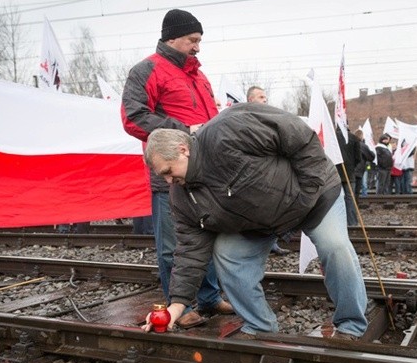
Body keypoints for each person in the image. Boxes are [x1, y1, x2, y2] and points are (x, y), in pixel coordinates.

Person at [143, 103, 369, 339]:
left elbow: (297, 135)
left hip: (314, 197)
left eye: (168, 171)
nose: (168, 181)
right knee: (228, 253)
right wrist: (176, 307)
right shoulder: (182, 197)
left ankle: (350, 325)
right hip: (261, 222)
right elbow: (190, 251)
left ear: (183, 150)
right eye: (163, 176)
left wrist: (307, 191)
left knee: (335, 246)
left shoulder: (229, 129)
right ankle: (261, 328)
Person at [122, 8, 233, 326]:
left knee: (206, 238)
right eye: (192, 40)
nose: (198, 46)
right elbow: (133, 117)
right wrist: (186, 130)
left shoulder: (199, 75)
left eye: (199, 40)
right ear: (172, 38)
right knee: (173, 246)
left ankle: (208, 299)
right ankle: (178, 307)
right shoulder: (145, 70)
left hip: (204, 173)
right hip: (171, 175)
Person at [246, 85, 290, 254]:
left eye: (265, 97)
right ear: (251, 100)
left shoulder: (269, 117)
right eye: (261, 97)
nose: (265, 100)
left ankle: (271, 244)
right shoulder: (245, 118)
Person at [336, 126, 361, 225]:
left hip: (335, 173)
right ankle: (352, 222)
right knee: (350, 198)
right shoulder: (354, 138)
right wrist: (351, 166)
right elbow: (358, 157)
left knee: (336, 198)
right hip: (349, 173)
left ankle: (339, 223)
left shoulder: (333, 137)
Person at [354, 129, 375, 198]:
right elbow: (371, 157)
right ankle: (354, 206)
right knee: (356, 191)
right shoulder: (363, 146)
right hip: (359, 171)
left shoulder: (350, 143)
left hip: (350, 170)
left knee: (350, 192)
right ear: (361, 136)